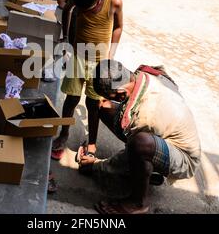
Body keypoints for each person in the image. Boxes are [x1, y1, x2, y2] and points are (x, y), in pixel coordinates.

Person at [77, 60, 201, 214]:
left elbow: (128, 153)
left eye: (114, 97)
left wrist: (96, 165)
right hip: (163, 130)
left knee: (140, 144)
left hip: (184, 158)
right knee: (104, 106)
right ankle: (145, 169)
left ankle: (139, 203)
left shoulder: (146, 116)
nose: (113, 99)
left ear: (121, 94)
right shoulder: (144, 73)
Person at [51, 0, 123, 161]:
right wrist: (66, 37)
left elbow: (118, 27)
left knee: (93, 104)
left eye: (87, 9)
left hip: (99, 63)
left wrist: (111, 55)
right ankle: (64, 133)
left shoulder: (114, 2)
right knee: (71, 99)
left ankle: (92, 142)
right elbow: (66, 10)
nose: (84, 12)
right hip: (78, 57)